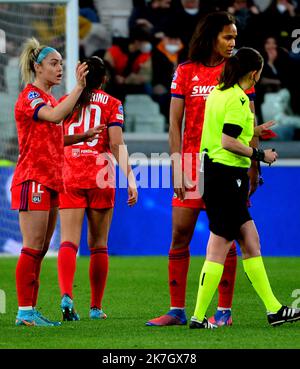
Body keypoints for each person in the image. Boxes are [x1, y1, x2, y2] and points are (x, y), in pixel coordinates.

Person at [146, 12, 259, 327]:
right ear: (211, 36)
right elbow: (174, 123)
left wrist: (253, 167)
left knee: (227, 233)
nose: (233, 43)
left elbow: (250, 120)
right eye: (227, 36)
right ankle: (177, 311)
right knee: (180, 233)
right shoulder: (185, 71)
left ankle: (224, 312)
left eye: (235, 37)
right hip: (192, 165)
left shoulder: (236, 72)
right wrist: (177, 164)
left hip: (226, 167)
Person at [190, 46, 300, 329]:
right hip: (226, 176)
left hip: (213, 173)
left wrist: (254, 130)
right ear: (255, 73)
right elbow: (228, 142)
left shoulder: (217, 94)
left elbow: (221, 133)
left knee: (251, 241)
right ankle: (198, 316)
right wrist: (262, 155)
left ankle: (274, 309)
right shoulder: (239, 99)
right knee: (218, 246)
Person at [11, 37, 102, 327]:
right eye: (53, 63)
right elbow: (53, 117)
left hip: (51, 180)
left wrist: (80, 137)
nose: (59, 68)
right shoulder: (31, 97)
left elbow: (53, 136)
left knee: (40, 248)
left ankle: (31, 310)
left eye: (61, 64)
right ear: (38, 68)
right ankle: (24, 311)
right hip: (33, 178)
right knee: (32, 246)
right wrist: (80, 87)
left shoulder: (48, 98)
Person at [57, 56, 138, 321]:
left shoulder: (66, 101)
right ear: (104, 79)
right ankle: (95, 307)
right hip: (100, 176)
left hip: (70, 174)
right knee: (99, 245)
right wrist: (130, 177)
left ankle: (67, 295)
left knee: (69, 241)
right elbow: (115, 144)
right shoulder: (113, 104)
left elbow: (55, 139)